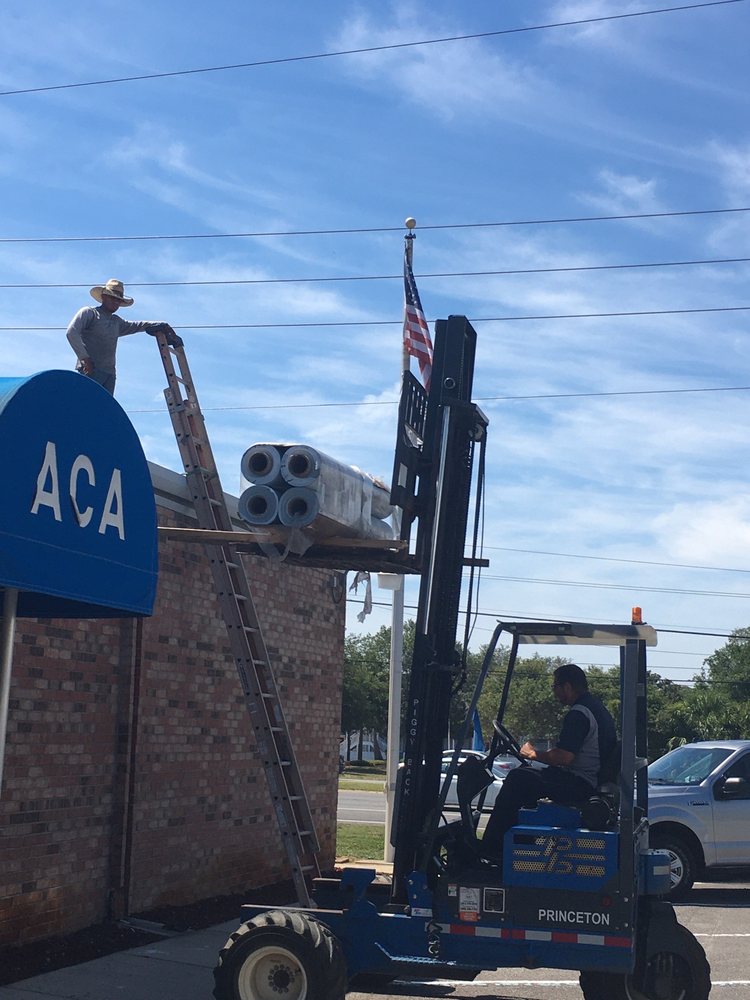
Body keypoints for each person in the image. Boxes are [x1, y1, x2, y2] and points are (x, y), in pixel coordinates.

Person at [481, 662, 617, 861]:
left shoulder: (579, 713)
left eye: (556, 686)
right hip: (590, 779)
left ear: (568, 687)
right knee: (528, 776)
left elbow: (564, 757)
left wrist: (533, 754)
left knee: (518, 778)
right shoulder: (596, 708)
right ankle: (518, 846)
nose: (554, 692)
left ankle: (491, 849)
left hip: (581, 783)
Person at [66, 278, 182, 395]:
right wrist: (85, 359)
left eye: (118, 300)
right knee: (85, 404)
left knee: (104, 410)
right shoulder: (90, 313)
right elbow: (71, 332)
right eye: (112, 298)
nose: (115, 302)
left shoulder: (116, 322)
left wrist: (159, 324)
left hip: (109, 374)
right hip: (90, 370)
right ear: (104, 297)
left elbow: (136, 325)